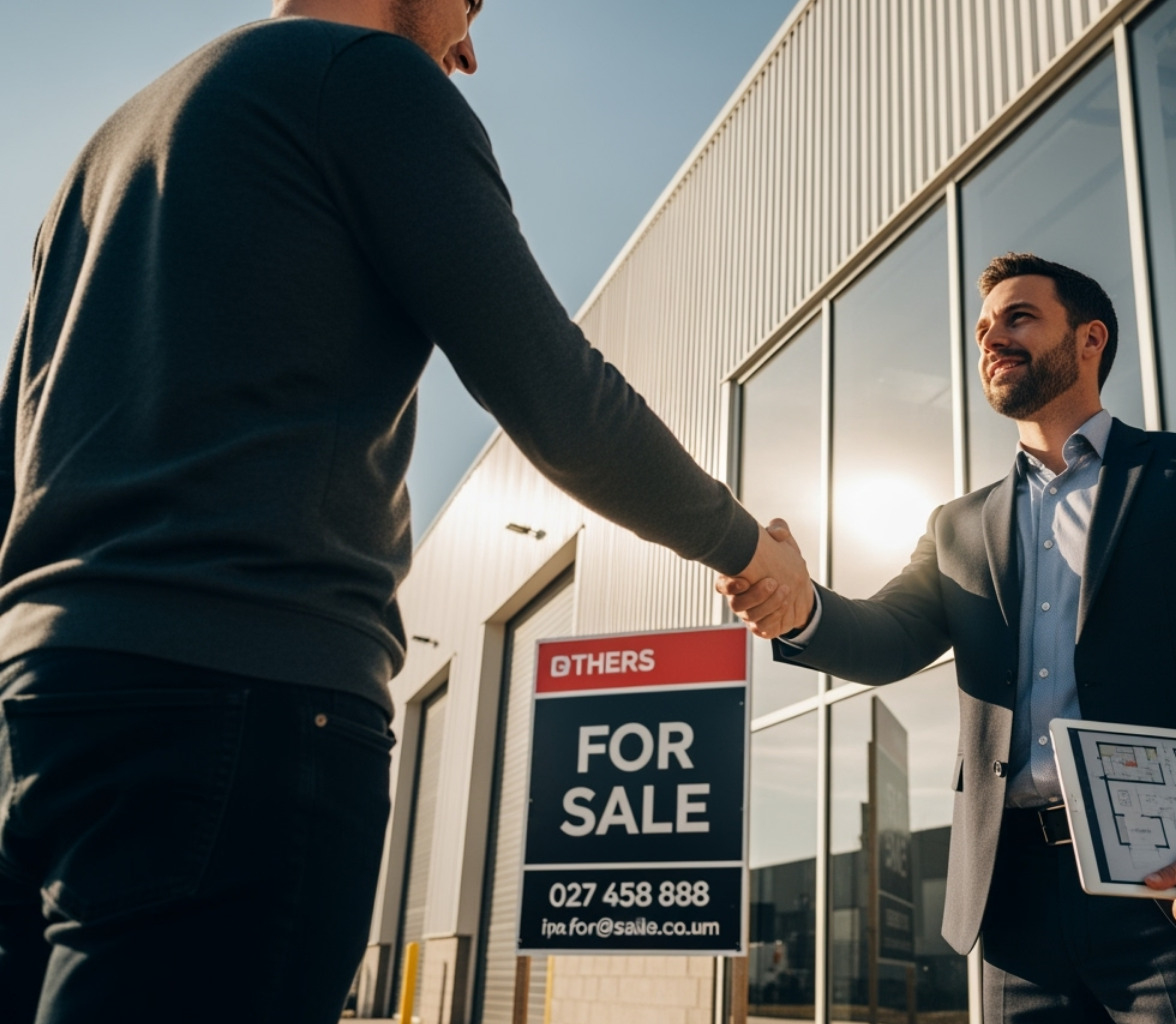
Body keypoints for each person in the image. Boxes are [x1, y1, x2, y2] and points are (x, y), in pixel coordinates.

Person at [0, 1, 810, 1021]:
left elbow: (12, 460)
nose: (469, 49)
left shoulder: (102, 154)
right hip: (243, 709)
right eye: (470, 5)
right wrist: (743, 546)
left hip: (46, 707)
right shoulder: (365, 80)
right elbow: (551, 386)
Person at [721, 253, 1176, 1022]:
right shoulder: (958, 524)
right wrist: (798, 607)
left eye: (1019, 318)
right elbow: (885, 637)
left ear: (1090, 339)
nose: (992, 338)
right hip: (1012, 907)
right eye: (984, 328)